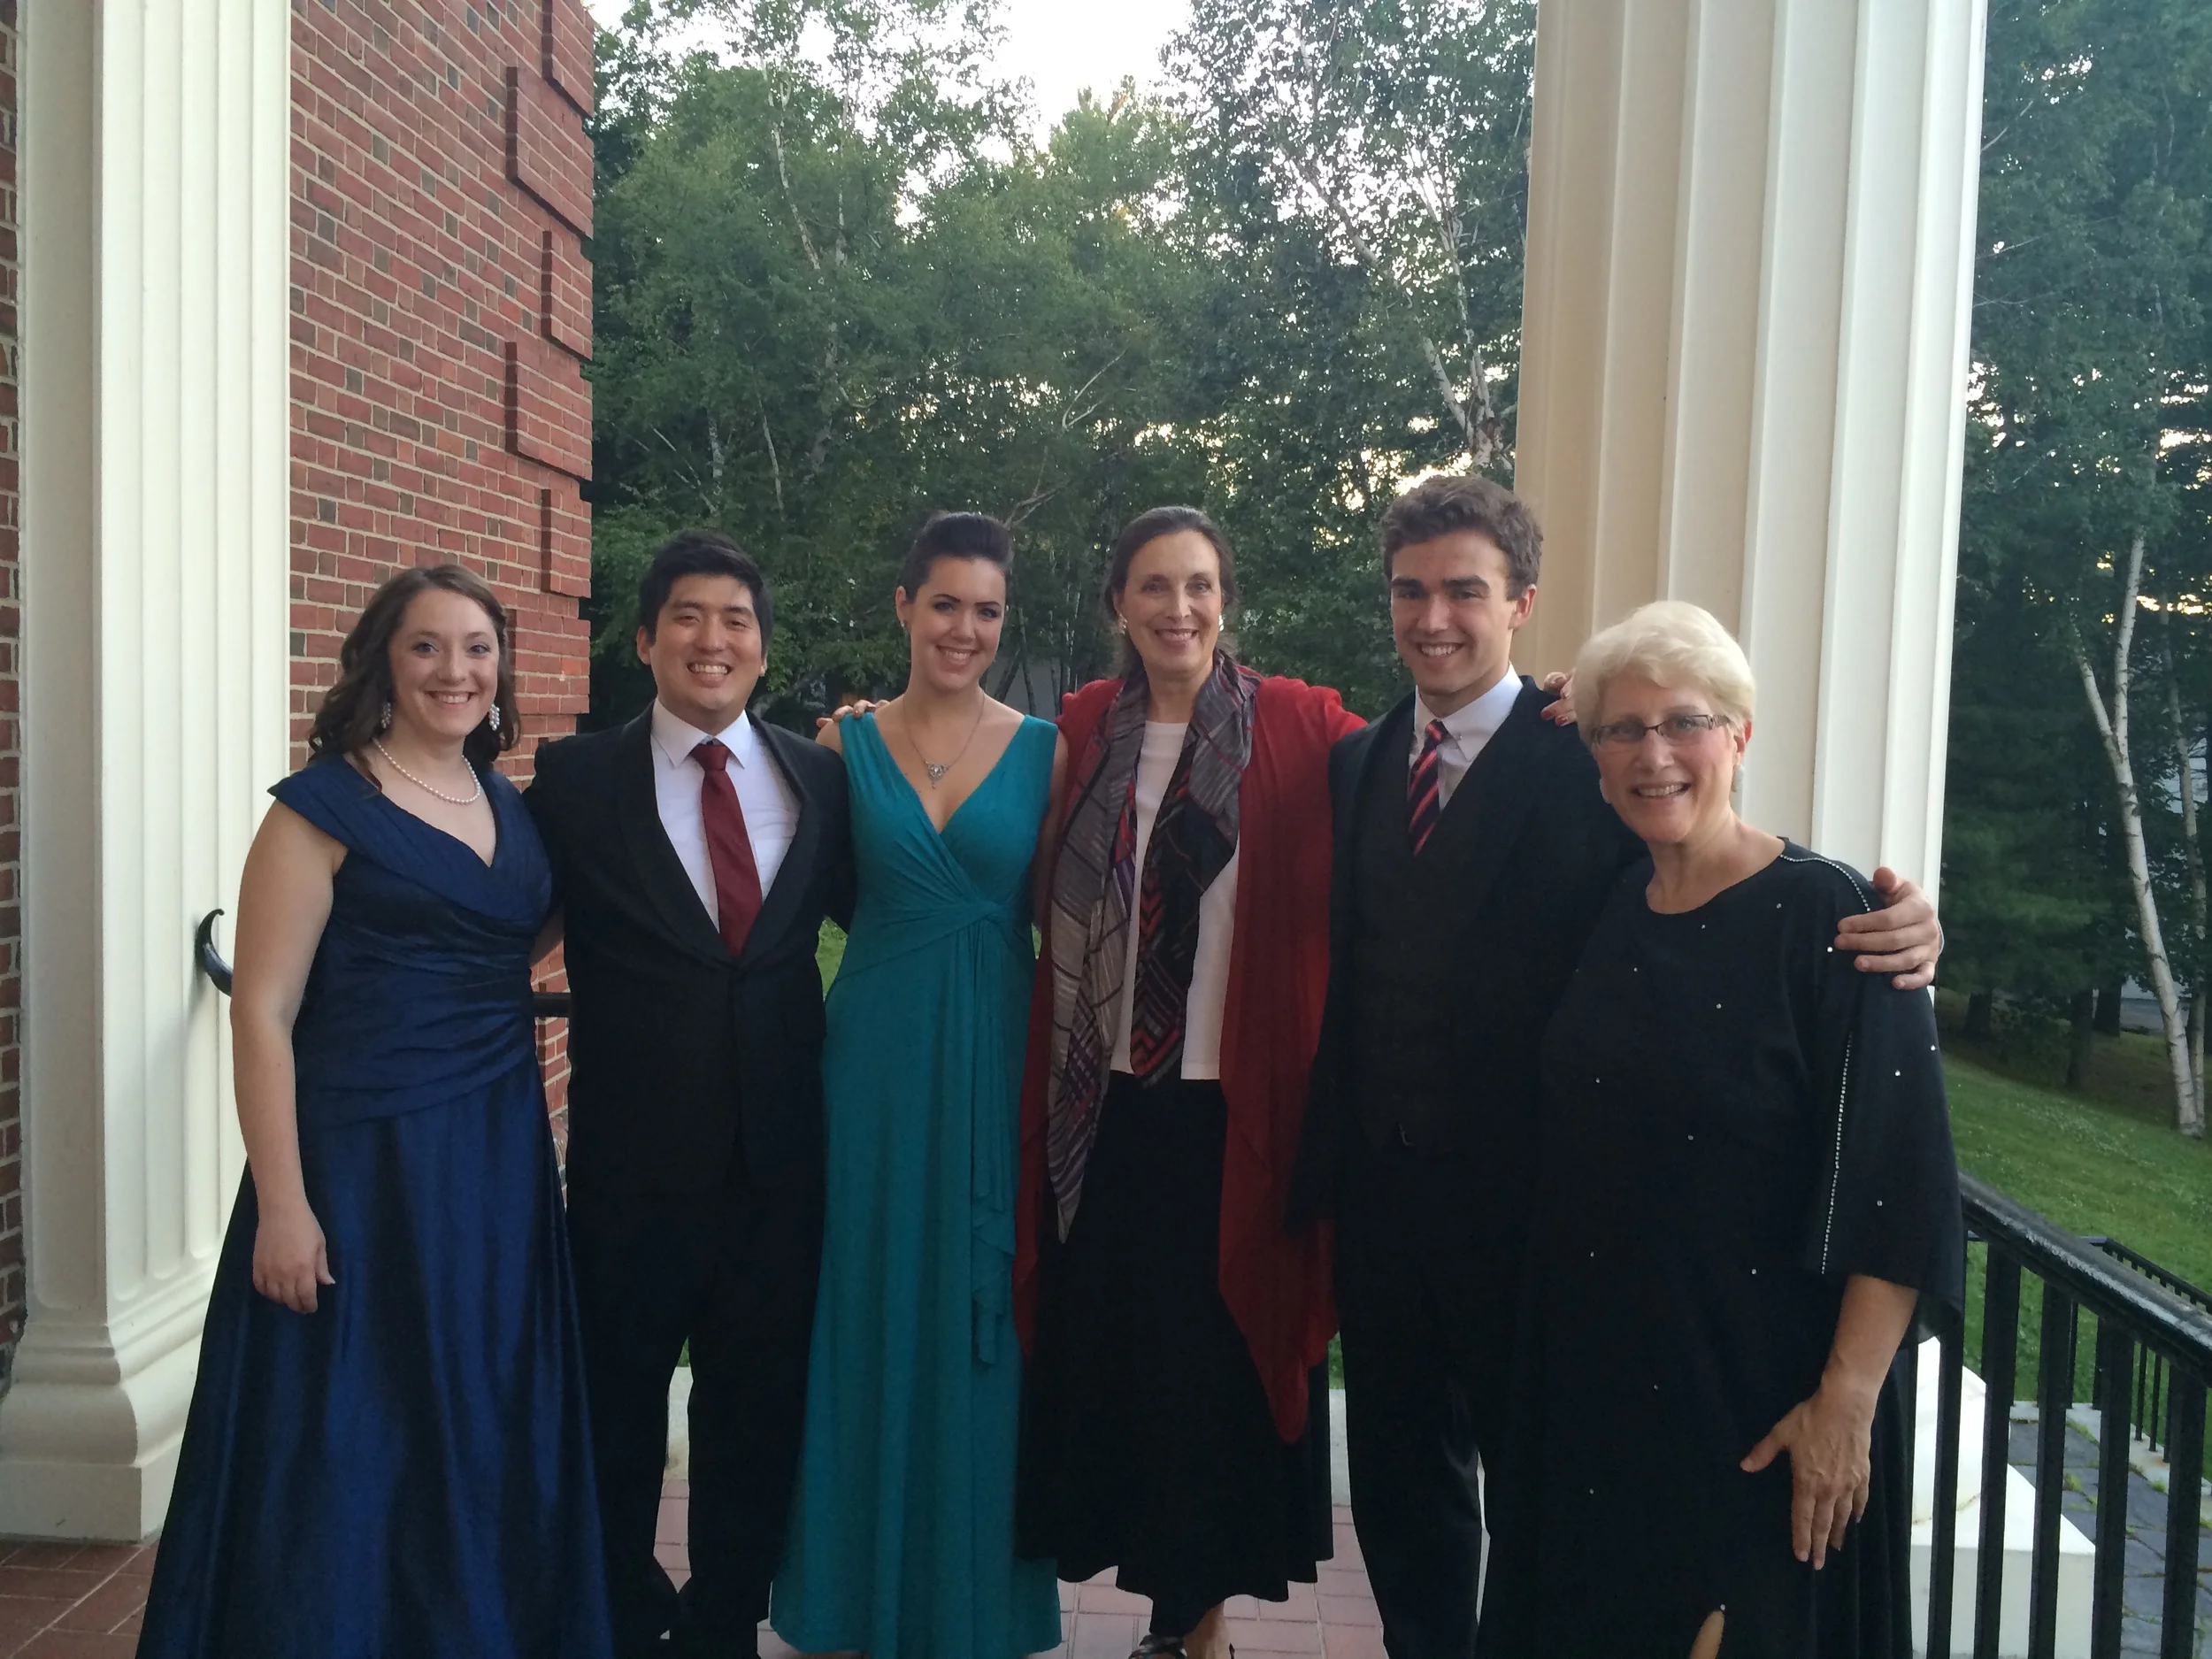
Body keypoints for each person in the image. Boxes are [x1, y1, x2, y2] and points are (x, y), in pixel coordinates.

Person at [1286, 474, 1944, 1659]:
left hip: (1546, 1222)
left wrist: (1910, 921)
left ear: (1520, 601)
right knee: (1405, 1484)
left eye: (1466, 590)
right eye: (1411, 591)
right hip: (1390, 1211)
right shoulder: (1363, 760)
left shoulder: (1583, 756)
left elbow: (1717, 858)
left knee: (1555, 1503)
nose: (1435, 616)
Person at [139, 566, 611, 1658]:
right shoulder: (323, 807)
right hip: (357, 1162)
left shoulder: (503, 801)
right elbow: (260, 1012)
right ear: (384, 665)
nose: (457, 670)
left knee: (476, 1408)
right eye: (428, 648)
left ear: (501, 673)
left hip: (491, 1157)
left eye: (479, 649)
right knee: (352, 1430)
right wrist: (284, 1208)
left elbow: (503, 941)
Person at [1479, 600, 1963, 1657]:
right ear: (1595, 759)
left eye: (1684, 723)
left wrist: (1845, 1401)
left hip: (1750, 1394)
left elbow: (1898, 1180)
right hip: (1591, 1379)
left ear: (1740, 736)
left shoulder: (1834, 918)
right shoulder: (1610, 901)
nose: (1653, 755)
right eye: (1622, 731)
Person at [1016, 506, 1360, 1659]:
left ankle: (1195, 1623)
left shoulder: (1303, 726)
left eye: (1200, 584)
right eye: (1154, 585)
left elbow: (1441, 770)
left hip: (1234, 1113)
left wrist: (1554, 710)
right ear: (1119, 601)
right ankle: (1162, 1600)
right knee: (1126, 1363)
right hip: (1102, 1108)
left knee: (1213, 1370)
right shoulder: (1082, 727)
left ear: (1227, 599)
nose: (1179, 607)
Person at [526, 531, 853, 1659]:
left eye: (737, 622)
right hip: (632, 1169)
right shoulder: (574, 781)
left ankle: (723, 1623)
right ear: (645, 639)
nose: (714, 640)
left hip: (779, 1165)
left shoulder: (820, 776)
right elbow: (504, 931)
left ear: (762, 648)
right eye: (689, 618)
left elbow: (889, 921)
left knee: (752, 1419)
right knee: (614, 1411)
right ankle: (618, 1609)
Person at [770, 512, 1063, 1659]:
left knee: (985, 1314)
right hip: (876, 1061)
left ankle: (971, 1601)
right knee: (863, 1297)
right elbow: (824, 898)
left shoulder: (1047, 746)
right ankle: (850, 1589)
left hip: (995, 1049)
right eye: (945, 602)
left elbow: (1067, 911)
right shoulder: (842, 746)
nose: (966, 627)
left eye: (987, 608)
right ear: (903, 606)